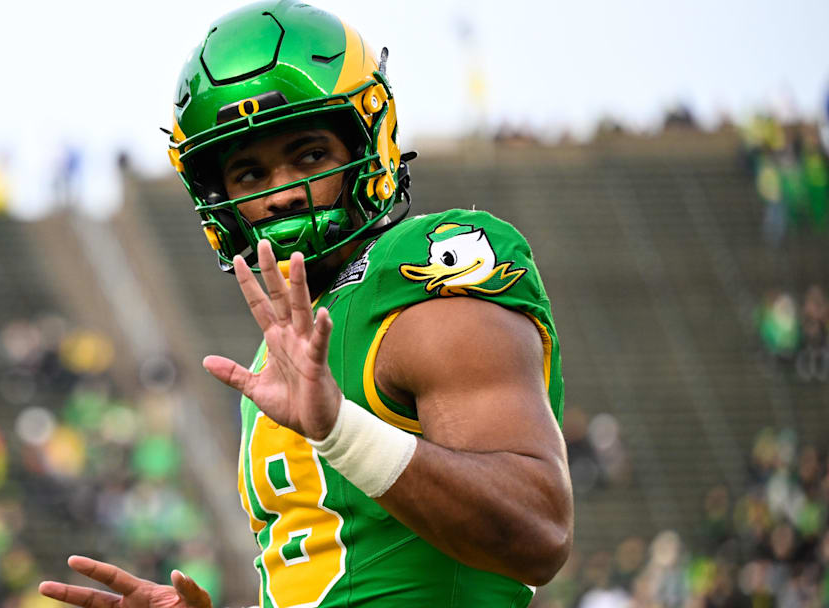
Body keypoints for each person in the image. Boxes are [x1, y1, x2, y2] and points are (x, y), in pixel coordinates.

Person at [39, 1, 573, 606]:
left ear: (367, 144)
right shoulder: (281, 353)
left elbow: (538, 532)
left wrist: (340, 428)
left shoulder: (423, 273)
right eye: (248, 174)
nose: (280, 194)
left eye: (310, 156)